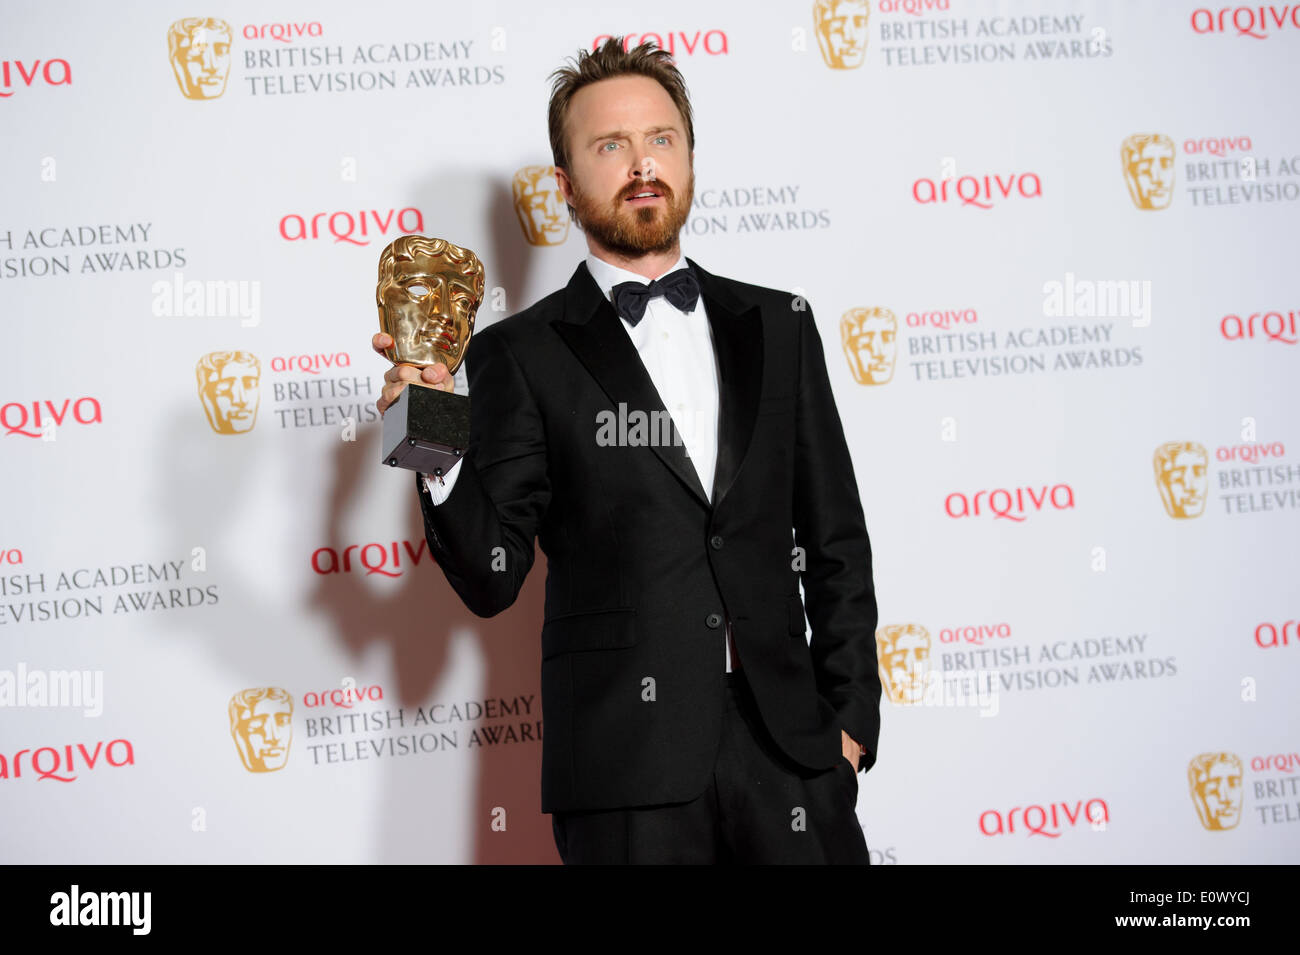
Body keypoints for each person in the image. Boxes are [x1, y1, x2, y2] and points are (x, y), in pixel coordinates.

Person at [372, 38, 881, 864]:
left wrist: (850, 720)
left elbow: (837, 541)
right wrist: (424, 428)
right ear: (566, 186)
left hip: (794, 759)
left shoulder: (781, 325)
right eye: (610, 145)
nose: (642, 163)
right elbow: (491, 575)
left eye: (661, 139)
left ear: (688, 157)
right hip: (623, 780)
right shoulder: (518, 355)